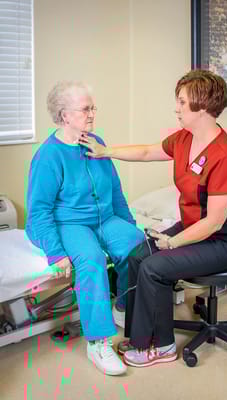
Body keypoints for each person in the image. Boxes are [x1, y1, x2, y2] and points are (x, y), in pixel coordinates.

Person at [78, 69, 227, 368]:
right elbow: (147, 151)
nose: (176, 108)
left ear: (202, 107)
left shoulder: (226, 154)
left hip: (226, 240)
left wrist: (172, 242)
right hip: (193, 228)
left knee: (155, 267)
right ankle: (140, 337)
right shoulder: (185, 138)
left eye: (182, 102)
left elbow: (214, 223)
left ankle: (163, 346)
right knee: (138, 255)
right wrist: (105, 151)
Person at [26, 81, 145, 375]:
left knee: (138, 244)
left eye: (93, 108)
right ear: (64, 115)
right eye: (85, 109)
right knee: (90, 260)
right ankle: (98, 342)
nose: (92, 114)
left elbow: (115, 191)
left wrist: (128, 227)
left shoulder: (95, 141)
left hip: (104, 218)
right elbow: (38, 212)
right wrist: (56, 252)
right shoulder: (48, 156)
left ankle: (122, 307)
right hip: (69, 223)